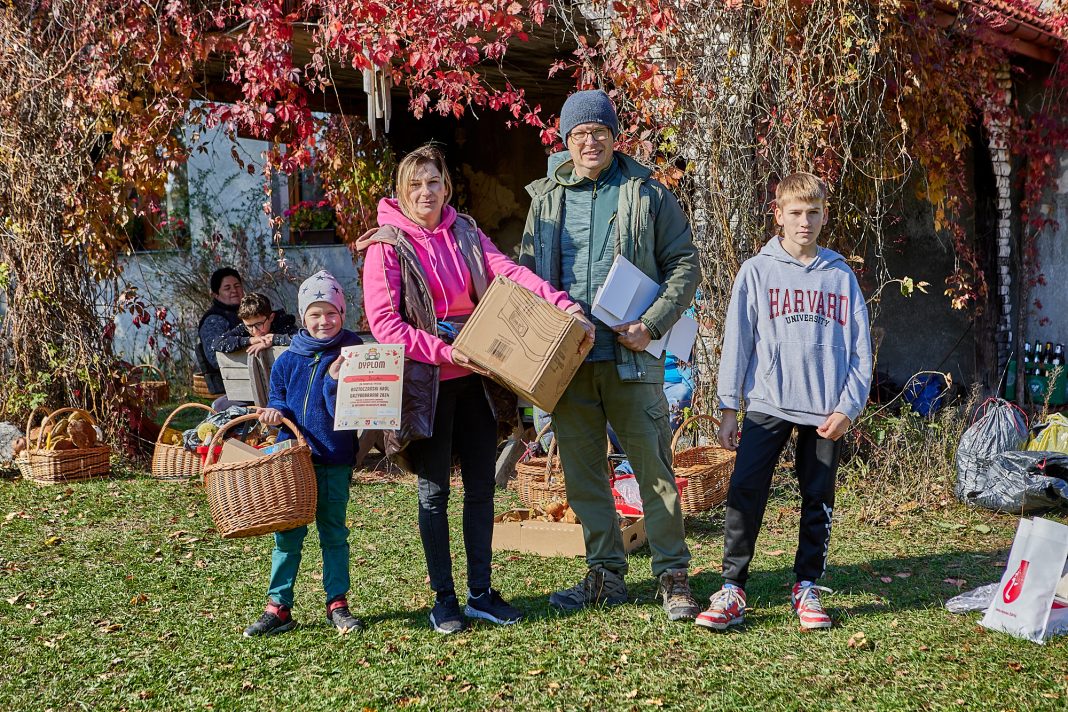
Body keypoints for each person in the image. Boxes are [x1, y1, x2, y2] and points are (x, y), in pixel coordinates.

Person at [360, 145, 594, 634]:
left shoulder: (464, 230)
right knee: (433, 493)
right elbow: (385, 325)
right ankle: (444, 599)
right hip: (428, 387)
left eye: (433, 181)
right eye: (415, 184)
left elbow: (507, 272)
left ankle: (481, 593)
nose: (426, 192)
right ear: (401, 191)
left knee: (482, 489)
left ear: (446, 185)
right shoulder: (387, 245)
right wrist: (446, 352)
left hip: (479, 381)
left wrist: (561, 303)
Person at [518, 89, 702, 621]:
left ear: (614, 136)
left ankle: (673, 575)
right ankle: (604, 575)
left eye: (599, 131)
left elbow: (684, 264)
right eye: (579, 133)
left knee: (655, 473)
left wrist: (652, 325)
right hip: (569, 364)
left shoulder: (647, 194)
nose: (590, 141)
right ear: (566, 140)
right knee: (584, 477)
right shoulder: (545, 200)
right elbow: (525, 276)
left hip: (632, 359)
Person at [698, 172, 872, 631]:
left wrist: (848, 408)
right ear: (778, 214)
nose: (804, 222)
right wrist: (729, 407)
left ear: (825, 216)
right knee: (745, 489)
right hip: (767, 401)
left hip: (825, 411)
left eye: (813, 213)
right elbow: (738, 343)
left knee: (818, 496)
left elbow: (861, 351)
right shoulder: (757, 271)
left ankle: (807, 586)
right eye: (795, 212)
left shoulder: (840, 275)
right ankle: (733, 588)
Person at [243, 270, 365, 637]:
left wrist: (334, 380)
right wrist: (274, 413)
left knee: (333, 533)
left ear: (342, 313)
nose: (323, 321)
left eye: (331, 312)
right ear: (302, 316)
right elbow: (280, 400)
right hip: (294, 464)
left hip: (334, 458)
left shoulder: (354, 354)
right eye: (315, 314)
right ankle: (278, 606)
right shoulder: (287, 360)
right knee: (287, 535)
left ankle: (337, 603)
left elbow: (349, 410)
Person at [212, 293, 299, 406]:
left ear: (271, 317)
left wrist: (275, 339)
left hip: (285, 393)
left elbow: (301, 340)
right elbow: (217, 343)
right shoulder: (246, 329)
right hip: (252, 392)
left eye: (259, 324)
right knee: (218, 405)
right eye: (249, 326)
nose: (254, 331)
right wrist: (250, 340)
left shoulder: (284, 324)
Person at [196, 267, 244, 395]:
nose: (234, 291)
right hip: (231, 383)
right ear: (216, 294)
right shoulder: (213, 320)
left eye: (237, 286)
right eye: (227, 288)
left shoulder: (249, 313)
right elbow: (216, 358)